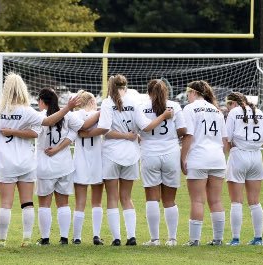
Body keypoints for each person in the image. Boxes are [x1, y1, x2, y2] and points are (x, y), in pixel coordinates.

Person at [0, 73, 79, 247]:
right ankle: (27, 239)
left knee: (5, 203)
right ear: (23, 89)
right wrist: (67, 108)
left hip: (5, 163)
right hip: (27, 163)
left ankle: (1, 240)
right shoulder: (27, 111)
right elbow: (47, 122)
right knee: (27, 202)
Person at [78, 75, 140, 246]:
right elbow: (142, 126)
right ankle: (131, 236)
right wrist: (131, 136)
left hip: (112, 153)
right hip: (132, 154)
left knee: (112, 197)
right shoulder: (134, 100)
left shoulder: (107, 102)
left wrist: (88, 133)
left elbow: (105, 129)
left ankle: (117, 239)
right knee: (127, 197)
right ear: (125, 86)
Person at [131, 79, 183, 246]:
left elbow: (142, 128)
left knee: (152, 199)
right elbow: (183, 130)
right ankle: (172, 239)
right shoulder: (174, 106)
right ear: (166, 91)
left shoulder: (141, 106)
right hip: (171, 153)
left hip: (149, 153)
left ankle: (155, 239)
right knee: (170, 200)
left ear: (148, 92)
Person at [34, 88, 84, 246]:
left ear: (42, 101)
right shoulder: (67, 115)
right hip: (64, 166)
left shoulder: (40, 116)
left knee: (44, 204)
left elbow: (33, 133)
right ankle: (64, 238)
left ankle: (45, 238)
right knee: (63, 203)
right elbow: (78, 130)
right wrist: (59, 148)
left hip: (44, 166)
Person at [180, 80, 227, 246]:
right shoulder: (217, 110)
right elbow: (225, 140)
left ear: (193, 92)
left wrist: (182, 158)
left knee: (197, 200)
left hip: (198, 158)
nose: (187, 97)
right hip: (217, 158)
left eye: (188, 93)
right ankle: (218, 239)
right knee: (216, 200)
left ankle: (194, 240)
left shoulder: (190, 109)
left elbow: (188, 136)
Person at [223, 92, 263, 246]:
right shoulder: (260, 112)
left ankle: (235, 239)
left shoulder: (233, 113)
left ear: (232, 103)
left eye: (227, 105)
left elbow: (226, 139)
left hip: (239, 155)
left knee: (236, 201)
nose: (227, 108)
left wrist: (234, 150)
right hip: (256, 157)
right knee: (255, 201)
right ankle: (258, 238)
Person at [70, 91, 106, 245]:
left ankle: (77, 237)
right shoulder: (100, 114)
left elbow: (80, 131)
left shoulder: (75, 115)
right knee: (97, 201)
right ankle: (96, 235)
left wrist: (85, 133)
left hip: (80, 161)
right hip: (98, 160)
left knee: (80, 202)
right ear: (91, 101)